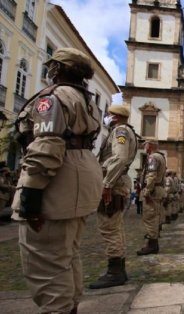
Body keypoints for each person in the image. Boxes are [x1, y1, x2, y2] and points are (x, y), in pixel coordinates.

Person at [11, 47, 102, 313]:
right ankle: (69, 305)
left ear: (58, 69)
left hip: (58, 177)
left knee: (46, 261)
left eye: (52, 67)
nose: (49, 71)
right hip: (82, 174)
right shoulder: (88, 101)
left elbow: (47, 145)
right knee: (67, 253)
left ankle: (58, 308)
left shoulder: (53, 97)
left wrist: (30, 192)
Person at [89, 105, 137, 289]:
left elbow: (120, 157)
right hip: (117, 181)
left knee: (109, 227)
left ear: (115, 117)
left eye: (109, 115)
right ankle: (119, 269)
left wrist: (107, 183)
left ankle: (115, 271)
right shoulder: (122, 131)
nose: (106, 118)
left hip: (114, 183)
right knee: (115, 227)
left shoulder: (120, 131)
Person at [137, 139, 166, 255]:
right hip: (157, 189)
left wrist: (147, 191)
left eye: (145, 145)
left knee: (149, 218)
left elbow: (151, 175)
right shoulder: (160, 157)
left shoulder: (153, 157)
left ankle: (152, 245)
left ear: (150, 145)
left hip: (152, 190)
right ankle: (153, 243)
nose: (144, 147)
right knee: (154, 216)